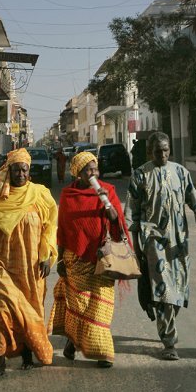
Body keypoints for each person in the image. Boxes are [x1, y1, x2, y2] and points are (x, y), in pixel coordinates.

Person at [125, 131, 196, 361]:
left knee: (179, 288)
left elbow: (193, 198)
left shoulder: (180, 172)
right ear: (150, 152)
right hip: (153, 241)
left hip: (179, 241)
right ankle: (169, 342)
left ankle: (161, 314)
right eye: (158, 151)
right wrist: (136, 249)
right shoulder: (140, 175)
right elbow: (132, 216)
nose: (163, 155)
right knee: (165, 290)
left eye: (166, 150)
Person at [0, 147, 58, 378]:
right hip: (2, 262)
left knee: (30, 311)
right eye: (16, 170)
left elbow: (50, 228)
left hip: (31, 267)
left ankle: (27, 354)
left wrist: (47, 257)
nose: (20, 174)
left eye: (24, 170)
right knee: (1, 309)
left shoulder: (40, 194)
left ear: (29, 172)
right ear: (8, 171)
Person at [49, 150, 129, 368]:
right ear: (78, 173)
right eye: (88, 170)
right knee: (80, 306)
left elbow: (117, 223)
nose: (93, 173)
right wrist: (61, 261)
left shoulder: (108, 191)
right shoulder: (68, 196)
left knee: (100, 307)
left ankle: (102, 353)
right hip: (75, 259)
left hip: (101, 258)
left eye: (95, 168)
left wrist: (107, 204)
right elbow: (63, 230)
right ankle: (73, 341)